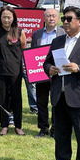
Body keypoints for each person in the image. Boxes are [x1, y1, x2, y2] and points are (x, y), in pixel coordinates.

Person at [44, 6, 80, 160]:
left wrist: (79, 68)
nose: (64, 22)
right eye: (63, 19)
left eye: (68, 19)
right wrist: (49, 69)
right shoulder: (57, 41)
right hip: (59, 97)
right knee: (61, 137)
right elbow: (46, 62)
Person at [0, 6, 27, 136]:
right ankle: (4, 125)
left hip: (16, 71)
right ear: (0, 18)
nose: (6, 20)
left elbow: (24, 50)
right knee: (3, 98)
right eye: (4, 17)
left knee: (17, 98)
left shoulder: (20, 32)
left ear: (13, 18)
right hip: (0, 70)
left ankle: (18, 126)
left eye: (9, 17)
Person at [31, 8, 65, 139]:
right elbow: (33, 54)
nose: (51, 18)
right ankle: (43, 128)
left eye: (53, 16)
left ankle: (55, 130)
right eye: (48, 16)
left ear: (57, 18)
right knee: (41, 102)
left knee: (56, 102)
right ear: (44, 19)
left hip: (57, 72)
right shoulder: (36, 34)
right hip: (40, 73)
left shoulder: (63, 32)